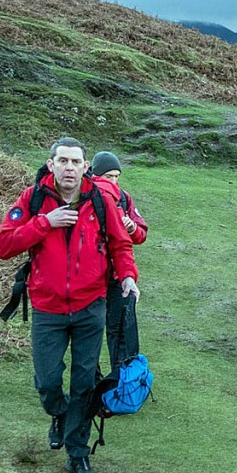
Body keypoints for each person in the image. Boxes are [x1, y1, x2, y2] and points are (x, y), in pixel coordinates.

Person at [0, 137, 140, 473]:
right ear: (51, 164)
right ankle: (58, 415)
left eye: (76, 162)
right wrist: (46, 222)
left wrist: (128, 277)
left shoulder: (102, 200)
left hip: (91, 307)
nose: (69, 168)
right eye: (63, 161)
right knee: (48, 382)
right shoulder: (32, 200)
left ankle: (78, 455)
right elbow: (4, 245)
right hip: (48, 309)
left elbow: (121, 244)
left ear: (85, 167)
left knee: (83, 383)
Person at [91, 151, 148, 368]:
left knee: (120, 329)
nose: (114, 181)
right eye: (108, 177)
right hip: (92, 276)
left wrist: (132, 228)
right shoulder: (87, 197)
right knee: (90, 330)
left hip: (118, 276)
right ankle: (91, 383)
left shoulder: (124, 198)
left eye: (116, 176)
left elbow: (141, 233)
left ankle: (121, 382)